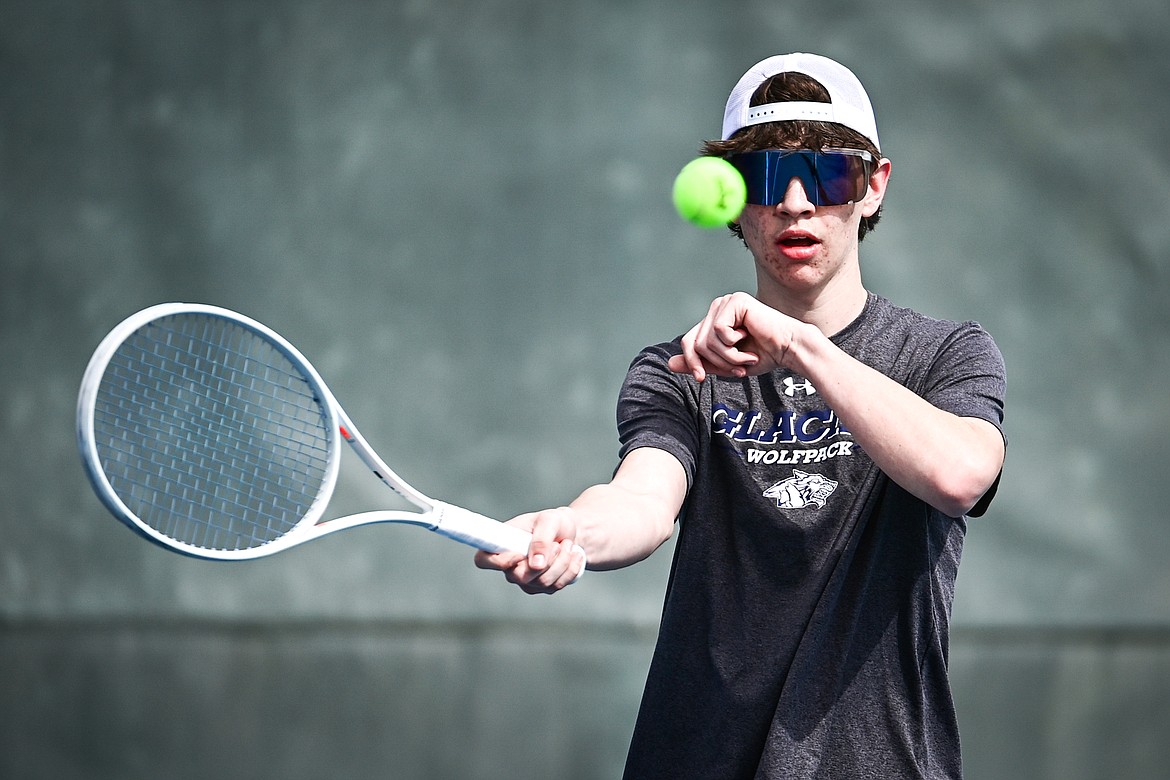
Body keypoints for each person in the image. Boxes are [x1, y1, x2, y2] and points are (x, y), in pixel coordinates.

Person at [476, 52, 1007, 779]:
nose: (795, 202)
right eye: (763, 176)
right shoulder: (681, 373)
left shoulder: (946, 354)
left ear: (874, 186)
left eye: (828, 174)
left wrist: (795, 343)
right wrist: (575, 530)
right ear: (731, 196)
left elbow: (959, 474)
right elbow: (641, 500)